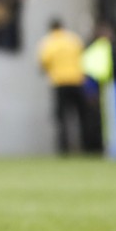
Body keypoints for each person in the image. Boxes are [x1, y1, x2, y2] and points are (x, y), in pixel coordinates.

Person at [38, 19, 88, 154]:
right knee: (81, 117)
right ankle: (85, 147)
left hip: (59, 82)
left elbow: (43, 62)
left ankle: (64, 149)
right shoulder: (73, 39)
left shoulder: (49, 42)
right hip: (77, 81)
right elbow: (83, 56)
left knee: (62, 119)